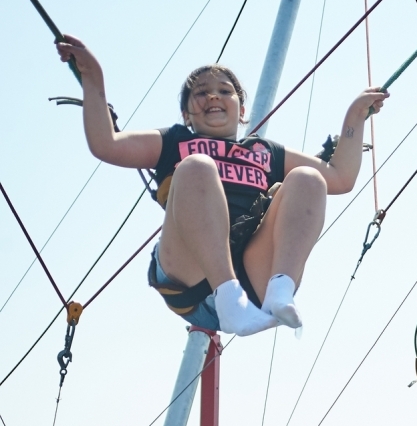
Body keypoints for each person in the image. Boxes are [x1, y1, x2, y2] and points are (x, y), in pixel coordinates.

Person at [55, 36, 388, 338]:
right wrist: (93, 77)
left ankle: (281, 288)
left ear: (242, 111)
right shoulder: (175, 142)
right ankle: (227, 296)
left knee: (309, 178)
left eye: (225, 91)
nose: (213, 95)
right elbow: (107, 144)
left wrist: (355, 117)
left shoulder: (265, 152)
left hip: (252, 277)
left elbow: (339, 177)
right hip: (191, 276)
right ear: (186, 114)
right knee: (197, 166)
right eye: (201, 92)